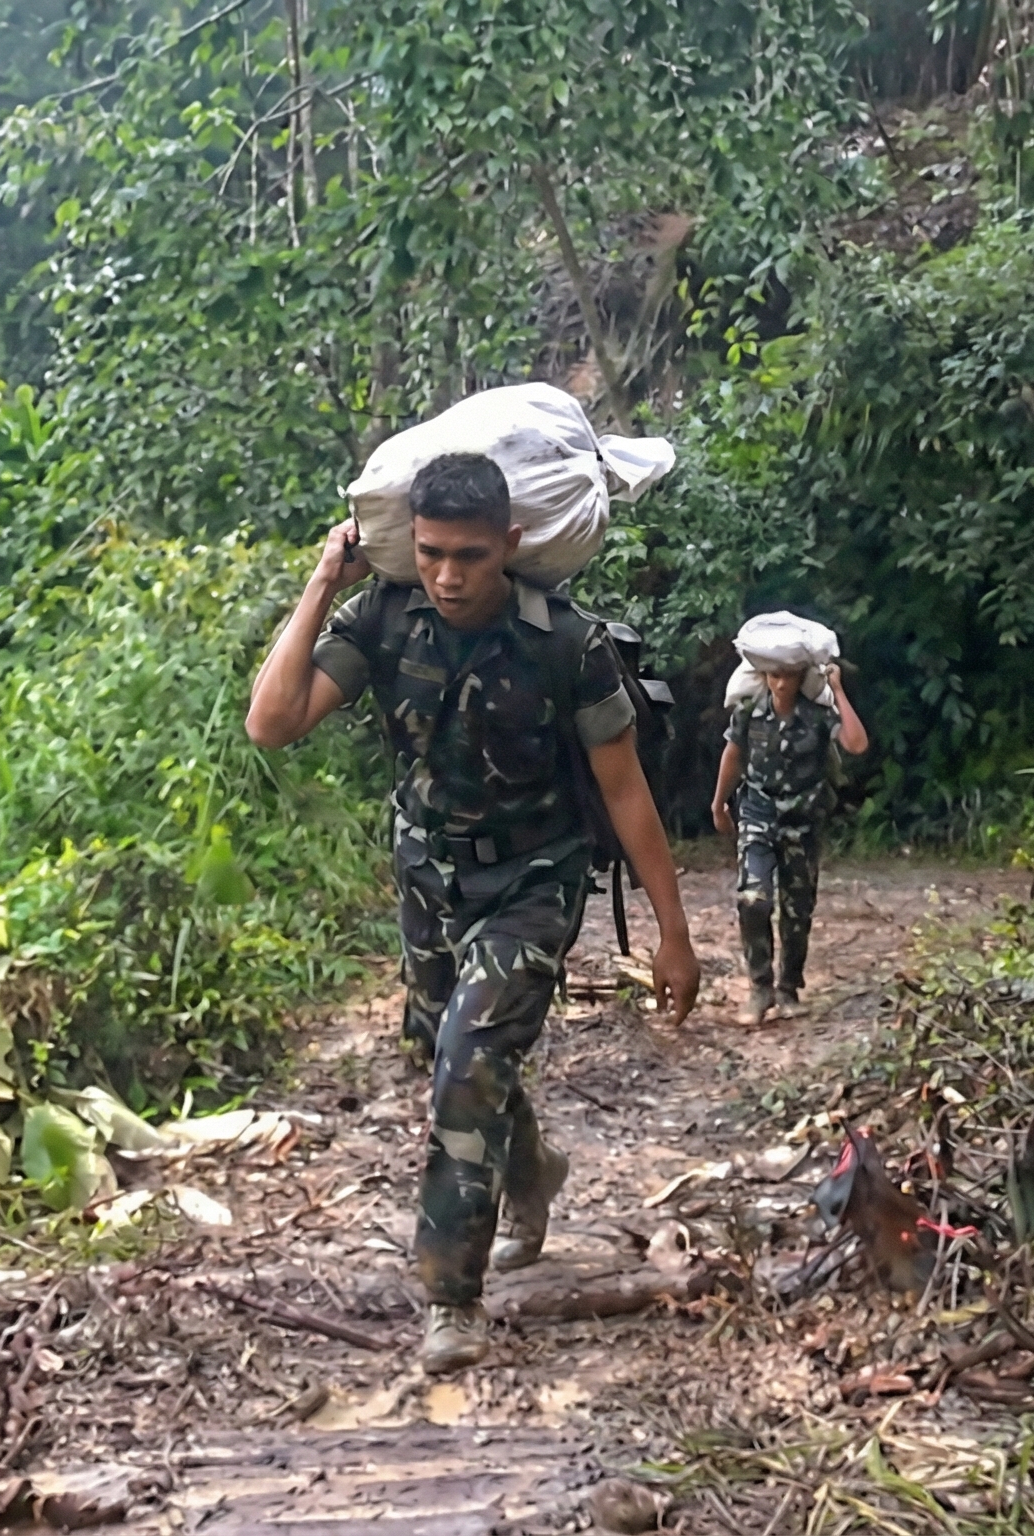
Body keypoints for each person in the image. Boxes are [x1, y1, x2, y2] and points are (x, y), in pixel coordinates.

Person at [245, 451, 701, 1374]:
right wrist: (323, 582)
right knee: (445, 1051)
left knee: (467, 1061)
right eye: (431, 553)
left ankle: (452, 1299)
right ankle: (532, 1171)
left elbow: (625, 791)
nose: (448, 576)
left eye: (470, 556)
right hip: (428, 877)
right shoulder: (383, 617)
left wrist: (675, 936)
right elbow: (273, 723)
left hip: (533, 883)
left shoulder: (564, 643)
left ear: (511, 544)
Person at [711, 655, 868, 1025]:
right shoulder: (748, 714)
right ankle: (760, 987)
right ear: (765, 676)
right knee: (752, 900)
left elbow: (856, 744)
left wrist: (838, 689)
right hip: (758, 817)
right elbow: (732, 756)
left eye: (790, 676)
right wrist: (719, 804)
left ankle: (788, 989)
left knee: (797, 911)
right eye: (775, 675)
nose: (781, 684)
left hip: (803, 823)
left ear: (801, 678)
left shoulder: (817, 716)